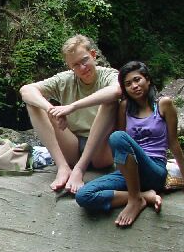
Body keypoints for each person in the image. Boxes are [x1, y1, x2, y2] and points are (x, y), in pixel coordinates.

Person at [74, 61, 184, 227]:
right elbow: (121, 146)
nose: (134, 86)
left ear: (147, 80)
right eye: (128, 84)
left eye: (137, 80)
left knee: (117, 137)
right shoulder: (124, 107)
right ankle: (142, 197)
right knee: (83, 196)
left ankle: (134, 199)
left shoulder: (163, 105)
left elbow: (173, 142)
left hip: (154, 170)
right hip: (129, 172)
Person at [20, 34, 121, 193]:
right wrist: (51, 110)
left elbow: (116, 91)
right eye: (75, 65)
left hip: (101, 150)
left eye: (84, 60)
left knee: (110, 102)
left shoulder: (108, 75)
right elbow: (26, 90)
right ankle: (63, 167)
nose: (82, 68)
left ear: (93, 55)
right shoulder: (65, 79)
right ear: (70, 67)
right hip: (72, 146)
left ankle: (79, 169)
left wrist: (72, 107)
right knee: (33, 104)